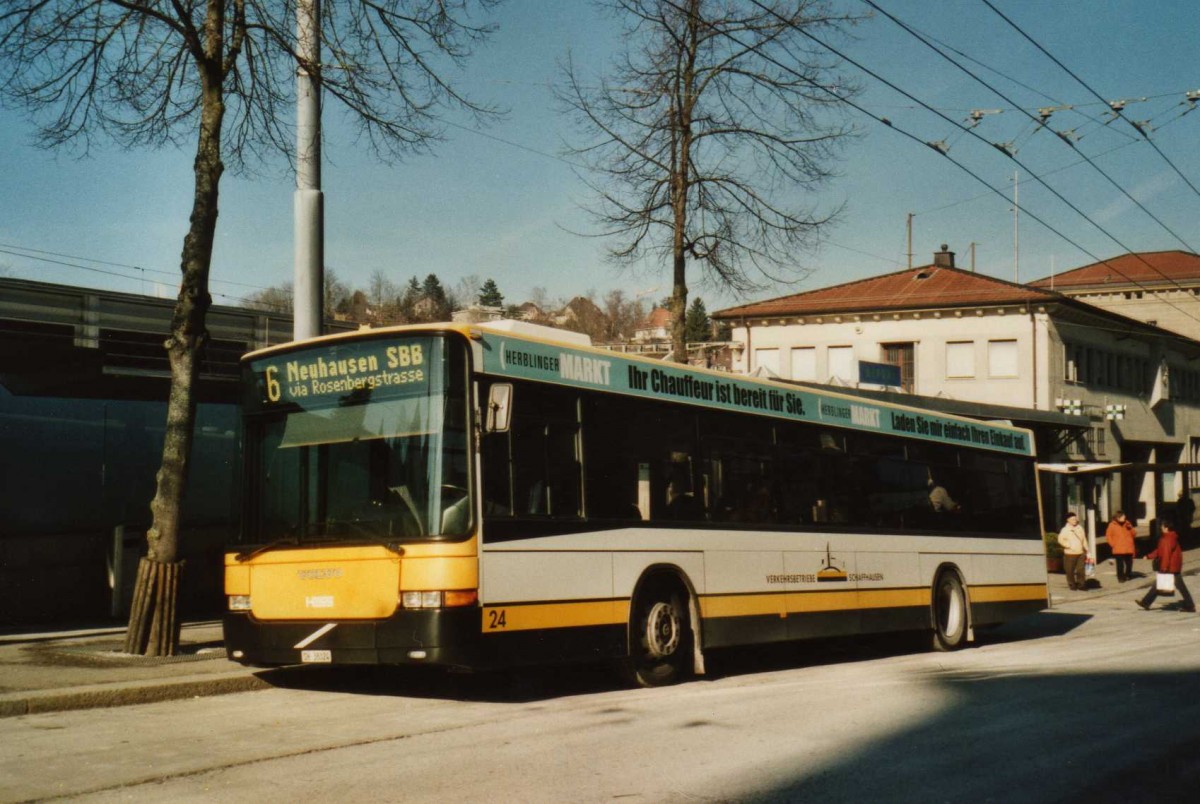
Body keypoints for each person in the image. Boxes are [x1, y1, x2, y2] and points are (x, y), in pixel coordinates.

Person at [1138, 519, 1195, 612]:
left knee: (1170, 585)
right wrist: (1149, 556)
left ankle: (1190, 605)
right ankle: (1146, 602)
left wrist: (1164, 568)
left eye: (1162, 526)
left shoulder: (1167, 539)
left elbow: (1165, 554)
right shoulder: (1170, 537)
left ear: (1166, 527)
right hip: (1173, 566)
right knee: (1169, 585)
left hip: (1169, 567)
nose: (1161, 527)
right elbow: (1160, 550)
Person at [1057, 512, 1089, 591]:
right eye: (1072, 519)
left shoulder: (1080, 528)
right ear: (1068, 520)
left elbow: (1084, 539)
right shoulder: (1065, 530)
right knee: (1070, 570)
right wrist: (1068, 545)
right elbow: (1060, 540)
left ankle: (1081, 584)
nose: (1075, 520)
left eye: (1075, 519)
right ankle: (1072, 584)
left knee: (1081, 569)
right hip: (1070, 553)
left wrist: (1087, 550)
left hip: (1080, 552)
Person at [1105, 510, 1137, 583]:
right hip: (1118, 548)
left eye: (1124, 516)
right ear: (1118, 517)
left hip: (1128, 547)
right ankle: (1121, 577)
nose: (1124, 518)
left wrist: (1130, 528)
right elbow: (1108, 536)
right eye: (1123, 516)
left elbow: (1134, 534)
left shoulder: (1127, 523)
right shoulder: (1112, 525)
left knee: (1129, 563)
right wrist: (1113, 544)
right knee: (1120, 564)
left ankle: (1127, 574)